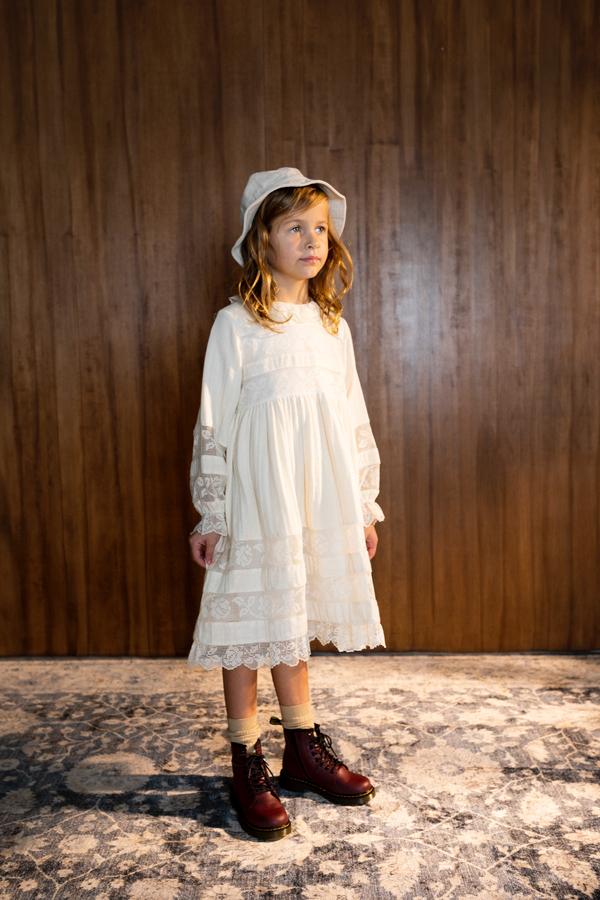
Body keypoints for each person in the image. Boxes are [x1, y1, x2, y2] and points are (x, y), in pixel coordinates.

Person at [187, 166, 386, 841]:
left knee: (290, 616)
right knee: (249, 622)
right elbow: (214, 420)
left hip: (314, 499)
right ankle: (246, 757)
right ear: (262, 239)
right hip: (256, 499)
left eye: (320, 229)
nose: (312, 240)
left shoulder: (331, 326)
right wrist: (213, 511)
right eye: (295, 227)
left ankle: (301, 748)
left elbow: (352, 418)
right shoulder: (236, 324)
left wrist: (363, 505)